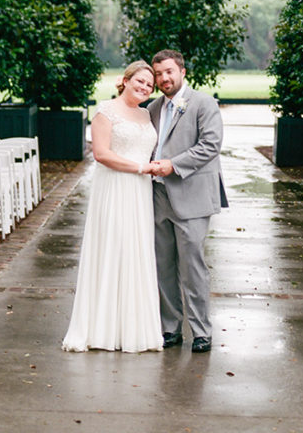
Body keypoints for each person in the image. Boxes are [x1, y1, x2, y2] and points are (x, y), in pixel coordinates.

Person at [62, 60, 163, 353]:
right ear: (126, 79)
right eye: (140, 81)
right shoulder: (105, 111)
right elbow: (101, 154)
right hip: (115, 187)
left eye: (149, 84)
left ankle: (133, 330)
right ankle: (102, 329)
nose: (144, 87)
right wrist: (141, 167)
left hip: (140, 192)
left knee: (135, 252)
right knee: (112, 249)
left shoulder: (146, 114)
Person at [148, 49, 227, 353]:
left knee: (192, 265)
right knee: (163, 265)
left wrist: (173, 164)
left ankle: (201, 330)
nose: (164, 78)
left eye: (169, 71)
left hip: (191, 195)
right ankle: (170, 328)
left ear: (182, 72)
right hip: (157, 196)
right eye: (158, 74)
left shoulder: (203, 103)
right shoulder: (153, 108)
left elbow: (210, 145)